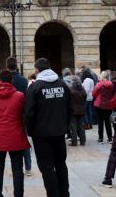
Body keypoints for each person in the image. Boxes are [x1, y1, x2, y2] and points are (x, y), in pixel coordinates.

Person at [24, 57, 71, 197]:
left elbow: (29, 112)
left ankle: (53, 194)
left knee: (47, 167)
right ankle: (64, 193)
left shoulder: (35, 87)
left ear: (37, 70)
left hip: (41, 134)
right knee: (61, 164)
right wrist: (65, 126)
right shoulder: (62, 85)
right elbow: (69, 109)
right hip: (59, 132)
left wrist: (30, 130)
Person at [0, 69, 30, 197]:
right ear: (11, 81)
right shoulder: (19, 96)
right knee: (17, 169)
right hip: (15, 135)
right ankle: (18, 194)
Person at [6, 56, 33, 176]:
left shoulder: (5, 80)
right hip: (21, 114)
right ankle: (28, 168)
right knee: (24, 140)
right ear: (17, 66)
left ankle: (16, 169)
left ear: (7, 66)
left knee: (12, 143)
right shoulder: (23, 80)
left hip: (8, 114)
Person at [92, 71, 113, 143]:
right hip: (108, 105)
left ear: (102, 76)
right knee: (108, 122)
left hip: (99, 104)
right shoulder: (111, 84)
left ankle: (100, 138)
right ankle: (110, 138)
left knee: (100, 122)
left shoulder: (99, 84)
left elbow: (94, 94)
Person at [69, 76, 87, 146]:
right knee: (81, 126)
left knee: (73, 127)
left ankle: (74, 142)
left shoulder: (71, 90)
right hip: (81, 110)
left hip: (73, 110)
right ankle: (83, 141)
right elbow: (85, 98)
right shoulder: (82, 90)